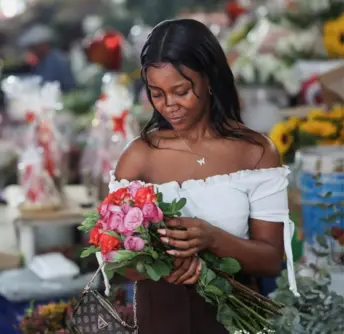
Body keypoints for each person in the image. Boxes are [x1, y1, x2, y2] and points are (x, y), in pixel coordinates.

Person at [103, 19, 298, 333]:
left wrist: (213, 240)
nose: (170, 106)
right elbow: (111, 257)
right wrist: (162, 267)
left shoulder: (256, 151)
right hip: (160, 319)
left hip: (236, 322)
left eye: (181, 91)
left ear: (209, 79)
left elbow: (271, 259)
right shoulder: (140, 155)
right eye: (157, 93)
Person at [17, 24, 76, 93]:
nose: (32, 50)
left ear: (44, 44)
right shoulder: (40, 62)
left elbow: (69, 87)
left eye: (34, 47)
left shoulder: (59, 61)